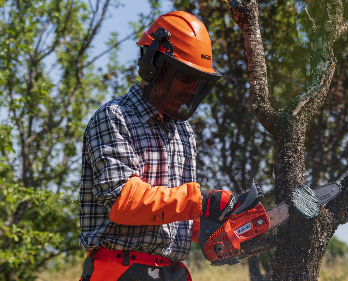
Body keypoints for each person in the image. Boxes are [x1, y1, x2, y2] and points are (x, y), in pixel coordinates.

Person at [78, 11, 240, 281]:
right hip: (121, 269)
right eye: (185, 77)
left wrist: (216, 222)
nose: (191, 90)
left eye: (197, 81)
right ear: (153, 65)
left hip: (170, 270)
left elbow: (175, 212)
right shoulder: (115, 117)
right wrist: (201, 200)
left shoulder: (184, 133)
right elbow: (124, 202)